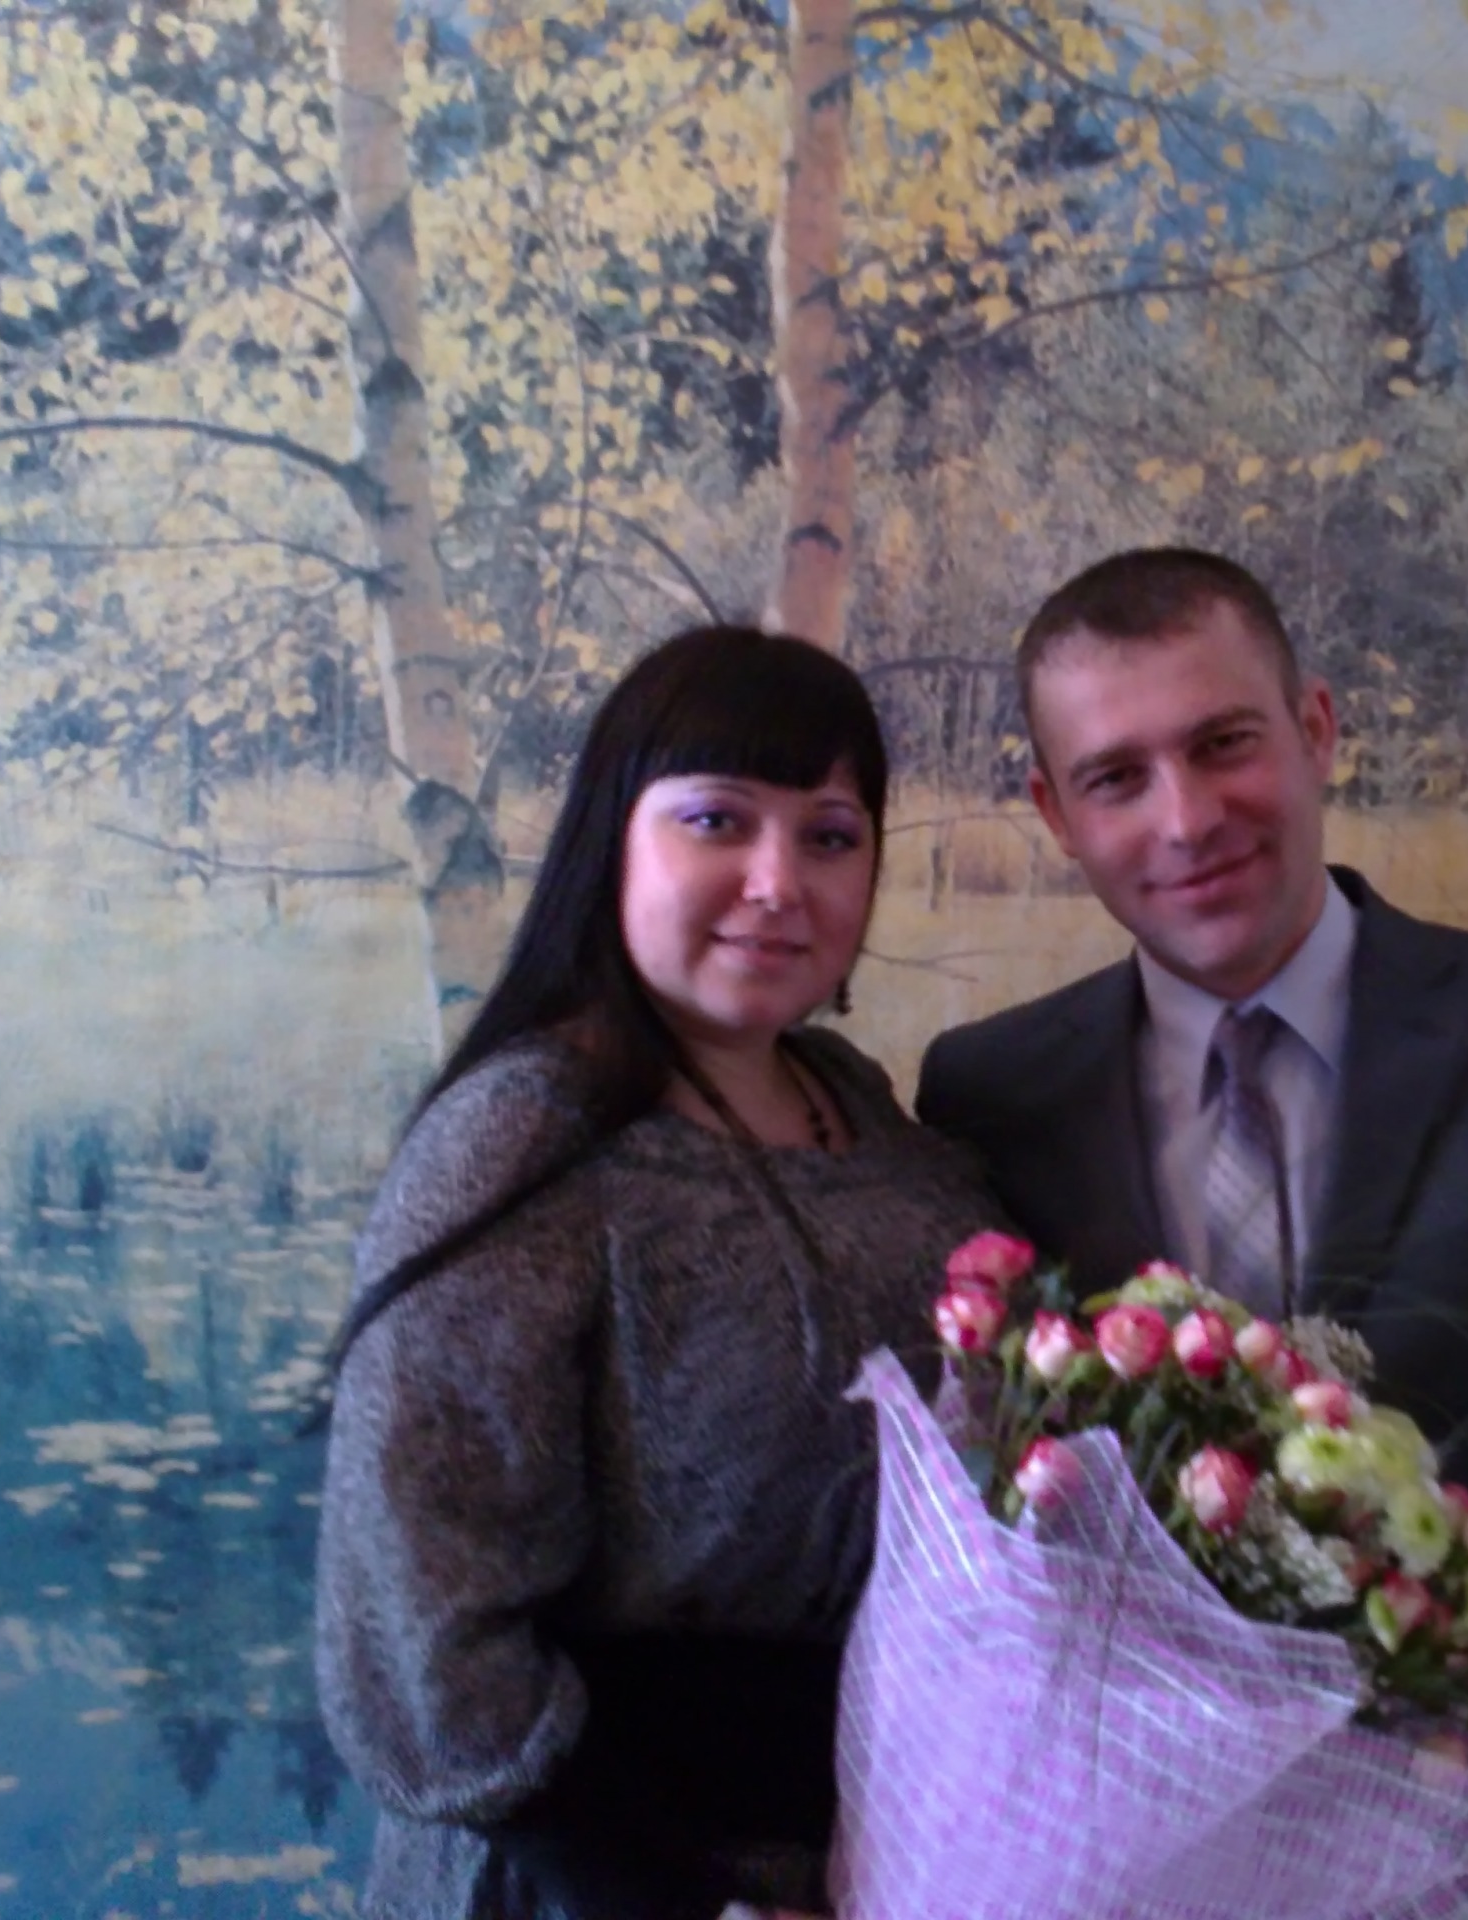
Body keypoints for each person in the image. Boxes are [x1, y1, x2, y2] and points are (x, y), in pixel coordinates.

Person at [917, 551, 1468, 1918]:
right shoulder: (989, 1095)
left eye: (1224, 743)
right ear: (1054, 813)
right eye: (1117, 777)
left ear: (1315, 729)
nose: (1187, 818)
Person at [315, 626, 1003, 1920]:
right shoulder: (526, 1137)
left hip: (880, 1860)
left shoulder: (873, 1117)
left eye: (830, 836)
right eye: (716, 821)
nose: (778, 882)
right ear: (611, 842)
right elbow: (420, 1629)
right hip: (590, 1878)